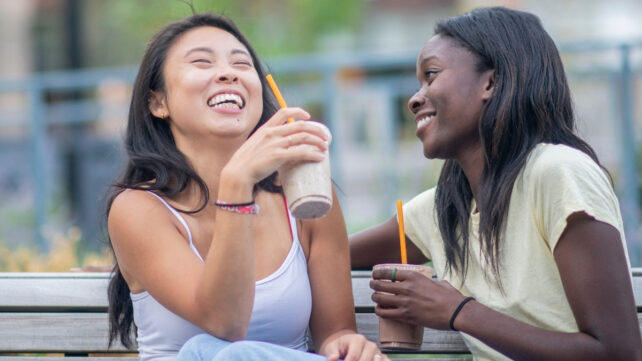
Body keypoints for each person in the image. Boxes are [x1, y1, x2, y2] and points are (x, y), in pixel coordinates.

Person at [350, 7, 642, 361]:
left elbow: (618, 352)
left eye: (431, 75)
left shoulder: (558, 174)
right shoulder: (445, 208)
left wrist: (460, 312)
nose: (415, 98)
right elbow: (328, 255)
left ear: (490, 83)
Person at [105, 13, 388, 361]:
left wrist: (345, 344)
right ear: (157, 102)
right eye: (201, 62)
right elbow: (224, 321)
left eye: (241, 63)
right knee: (205, 352)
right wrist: (236, 183)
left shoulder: (306, 196)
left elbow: (336, 333)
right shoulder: (137, 209)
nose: (229, 73)